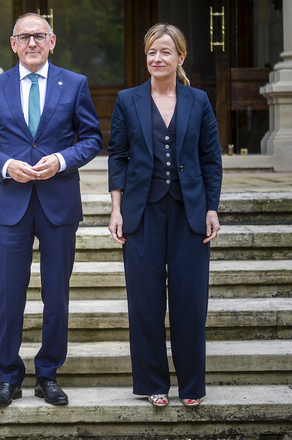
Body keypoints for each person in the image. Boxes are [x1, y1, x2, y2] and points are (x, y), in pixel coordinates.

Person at [0, 13, 103, 407]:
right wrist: (6, 165)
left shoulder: (75, 83)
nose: (32, 43)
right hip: (11, 203)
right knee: (7, 294)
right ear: (12, 43)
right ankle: (8, 375)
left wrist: (61, 160)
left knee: (56, 294)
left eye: (39, 36)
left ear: (52, 41)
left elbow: (92, 137)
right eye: (24, 37)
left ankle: (48, 374)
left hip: (58, 203)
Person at [107, 23, 222, 407]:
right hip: (142, 213)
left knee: (191, 301)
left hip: (190, 211)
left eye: (165, 52)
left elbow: (211, 159)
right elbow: (118, 156)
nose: (157, 58)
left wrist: (211, 208)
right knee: (145, 301)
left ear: (180, 57)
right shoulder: (127, 99)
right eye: (152, 52)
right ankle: (153, 383)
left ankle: (191, 387)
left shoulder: (199, 100)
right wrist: (116, 209)